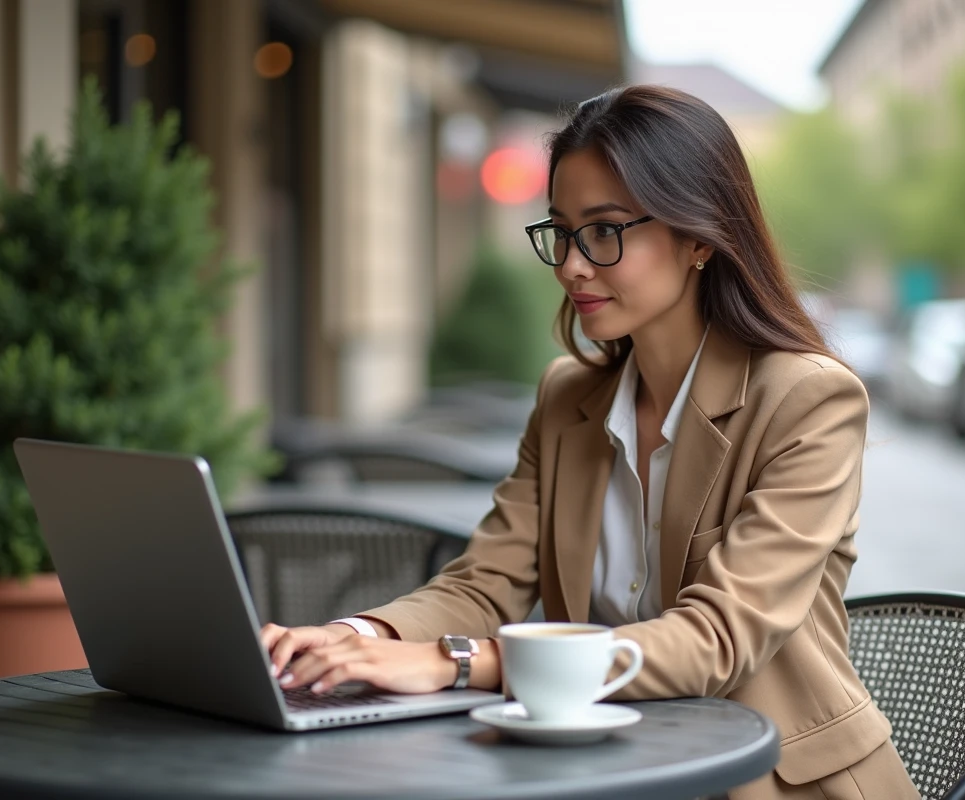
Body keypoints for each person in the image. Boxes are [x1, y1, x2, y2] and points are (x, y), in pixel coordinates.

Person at [260, 85, 919, 799]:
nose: (572, 265)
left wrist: (456, 663)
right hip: (603, 772)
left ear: (698, 236)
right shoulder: (567, 397)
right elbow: (487, 582)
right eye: (562, 231)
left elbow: (717, 638)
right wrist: (361, 638)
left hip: (771, 782)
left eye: (604, 231)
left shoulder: (806, 399)